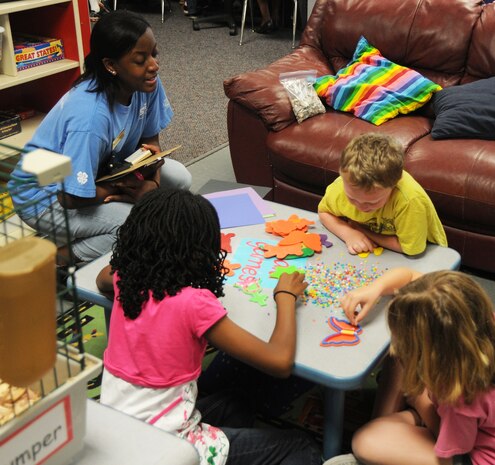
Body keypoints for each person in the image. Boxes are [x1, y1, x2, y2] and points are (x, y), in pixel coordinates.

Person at [96, 188, 322, 465]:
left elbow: (102, 279)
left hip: (117, 432)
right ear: (201, 250)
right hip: (166, 450)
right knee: (302, 447)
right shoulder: (194, 303)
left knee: (235, 402)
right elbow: (279, 362)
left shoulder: (125, 278)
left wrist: (133, 259)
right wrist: (285, 297)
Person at [8, 10, 192, 264]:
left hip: (104, 173)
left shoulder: (147, 83)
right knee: (134, 226)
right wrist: (129, 192)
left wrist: (153, 185)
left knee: (180, 178)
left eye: (154, 54)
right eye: (141, 60)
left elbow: (151, 146)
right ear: (110, 66)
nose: (154, 65)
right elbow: (70, 197)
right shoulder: (91, 116)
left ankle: (79, 235)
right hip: (47, 196)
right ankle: (54, 261)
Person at [324, 268, 495, 465]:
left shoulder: (461, 394)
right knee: (400, 372)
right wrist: (375, 288)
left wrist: (417, 401)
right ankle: (401, 424)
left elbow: (458, 445)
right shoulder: (476, 317)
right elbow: (410, 276)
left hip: (489, 456)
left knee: (366, 442)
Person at [318, 133, 447, 256]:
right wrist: (348, 233)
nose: (361, 207)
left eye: (372, 202)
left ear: (395, 183)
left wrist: (361, 230)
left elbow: (411, 249)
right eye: (352, 199)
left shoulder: (409, 201)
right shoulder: (340, 186)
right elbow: (323, 212)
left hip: (425, 254)